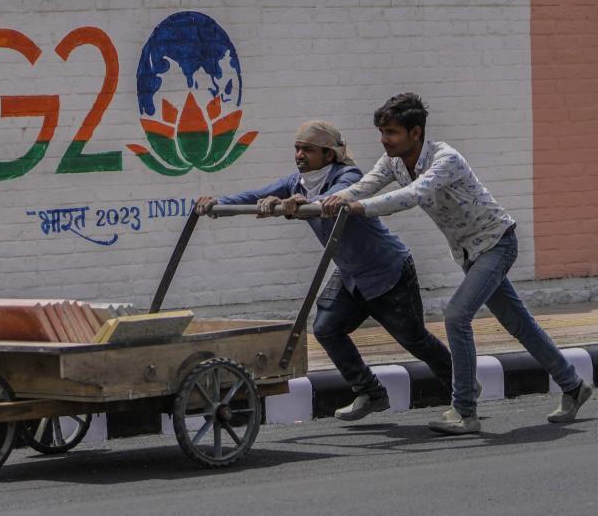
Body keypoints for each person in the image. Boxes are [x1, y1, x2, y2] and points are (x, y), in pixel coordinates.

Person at [321, 93, 593, 435]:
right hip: (469, 252)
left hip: (497, 242)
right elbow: (364, 185)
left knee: (456, 316)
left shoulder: (445, 159)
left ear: (415, 132)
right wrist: (335, 200)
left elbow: (413, 196)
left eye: (391, 132)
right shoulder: (392, 162)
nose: (384, 140)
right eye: (382, 132)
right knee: (518, 322)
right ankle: (573, 385)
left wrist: (360, 208)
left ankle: (464, 411)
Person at [196, 120, 454, 421]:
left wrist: (301, 204)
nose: (300, 155)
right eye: (297, 149)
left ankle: (460, 388)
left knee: (413, 339)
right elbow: (257, 194)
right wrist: (218, 203)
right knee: (326, 328)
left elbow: (334, 200)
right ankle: (370, 392)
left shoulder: (348, 175)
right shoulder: (297, 183)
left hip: (388, 272)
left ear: (329, 155)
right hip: (350, 274)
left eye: (308, 150)